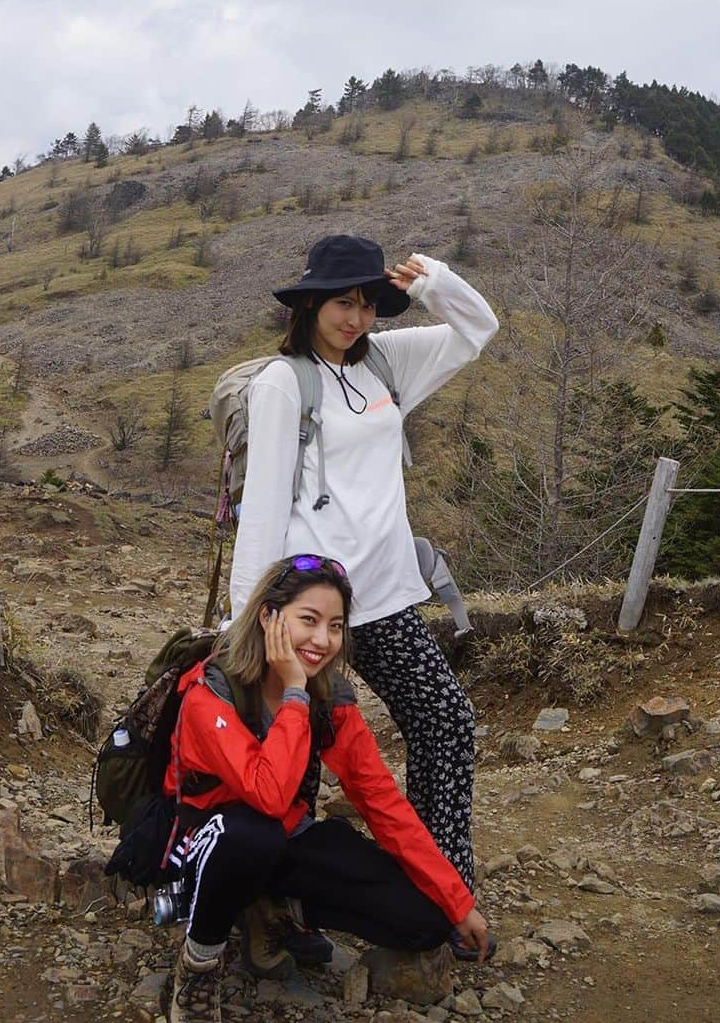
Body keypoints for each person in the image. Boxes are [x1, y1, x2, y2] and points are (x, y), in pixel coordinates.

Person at [228, 235, 498, 927]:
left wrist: (432, 279)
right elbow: (261, 507)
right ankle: (283, 908)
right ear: (311, 302)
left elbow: (478, 329)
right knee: (298, 758)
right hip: (309, 608)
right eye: (342, 301)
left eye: (368, 302)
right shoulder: (283, 383)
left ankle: (442, 890)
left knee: (445, 722)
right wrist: (248, 624)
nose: (355, 317)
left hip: (380, 597)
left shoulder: (387, 363)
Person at [163, 555, 491, 1023]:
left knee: (426, 919)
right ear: (268, 617)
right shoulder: (213, 691)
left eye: (335, 626)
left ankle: (272, 909)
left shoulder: (329, 699)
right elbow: (268, 793)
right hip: (209, 844)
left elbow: (382, 803)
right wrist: (295, 692)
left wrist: (457, 902)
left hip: (284, 838)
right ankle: (198, 965)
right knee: (252, 834)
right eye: (308, 620)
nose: (322, 641)